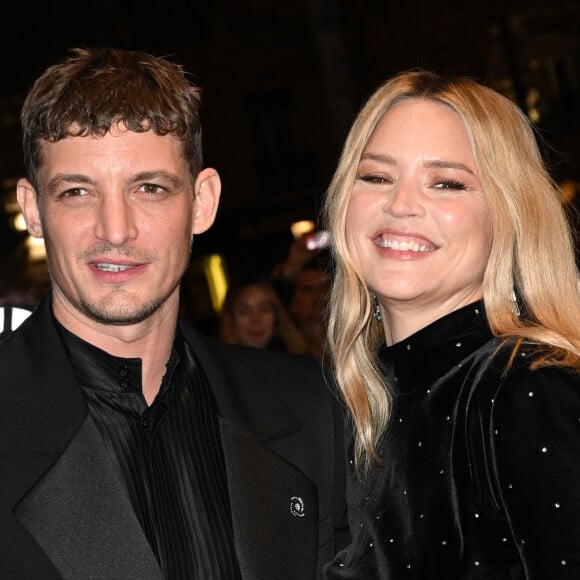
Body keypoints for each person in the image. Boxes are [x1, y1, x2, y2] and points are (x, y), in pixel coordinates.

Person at [0, 47, 349, 579]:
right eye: (76, 192)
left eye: (150, 188)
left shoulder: (313, 407)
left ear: (202, 201)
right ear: (33, 210)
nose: (115, 230)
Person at [321, 69, 580, 579]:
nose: (400, 205)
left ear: (508, 215)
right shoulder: (375, 401)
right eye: (376, 176)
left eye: (446, 183)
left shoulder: (526, 387)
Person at [218, 273, 308, 353]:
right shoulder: (215, 367)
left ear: (276, 316)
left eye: (264, 309)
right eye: (244, 311)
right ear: (230, 318)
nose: (255, 320)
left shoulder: (300, 360)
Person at [272, 239, 332, 359]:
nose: (319, 294)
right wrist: (290, 267)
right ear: (293, 303)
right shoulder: (280, 352)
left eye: (325, 287)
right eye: (307, 289)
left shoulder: (358, 345)